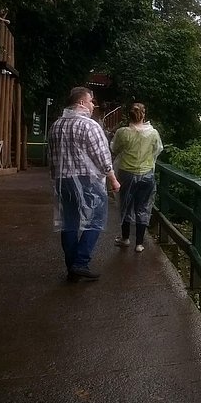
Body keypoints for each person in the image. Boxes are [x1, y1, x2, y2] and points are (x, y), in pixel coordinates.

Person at [48, 86, 120, 282]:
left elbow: (52, 156)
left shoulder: (56, 126)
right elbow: (102, 157)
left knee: (68, 222)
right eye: (90, 101)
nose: (93, 105)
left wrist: (56, 179)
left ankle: (72, 266)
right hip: (87, 180)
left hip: (63, 181)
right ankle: (81, 262)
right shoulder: (90, 126)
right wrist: (113, 178)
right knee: (96, 218)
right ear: (81, 102)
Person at [111, 103, 164, 253]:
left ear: (130, 115)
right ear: (144, 115)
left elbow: (114, 148)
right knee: (143, 207)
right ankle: (139, 243)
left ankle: (125, 238)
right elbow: (157, 149)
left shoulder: (123, 132)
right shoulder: (153, 133)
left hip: (127, 173)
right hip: (147, 174)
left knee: (125, 205)